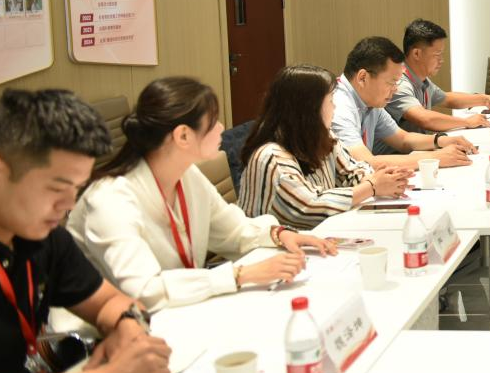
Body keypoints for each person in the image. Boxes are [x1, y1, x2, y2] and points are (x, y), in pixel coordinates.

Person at [70, 78, 337, 311]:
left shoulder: (186, 175)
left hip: (179, 310)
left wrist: (281, 234)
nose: (221, 128)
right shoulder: (110, 198)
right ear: (183, 136)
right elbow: (144, 290)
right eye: (212, 123)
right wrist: (240, 275)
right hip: (106, 336)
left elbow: (232, 231)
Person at [0, 90, 173, 373]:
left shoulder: (45, 238)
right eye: (55, 188)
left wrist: (126, 328)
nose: (68, 205)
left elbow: (108, 301)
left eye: (76, 188)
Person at [240, 65, 409, 229]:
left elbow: (350, 172)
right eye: (330, 100)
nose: (334, 106)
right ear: (308, 109)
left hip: (314, 235)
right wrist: (371, 186)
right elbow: (309, 206)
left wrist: (383, 179)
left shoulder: (323, 137)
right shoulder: (271, 156)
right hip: (270, 245)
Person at [331, 36, 474, 171]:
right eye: (392, 82)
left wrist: (441, 140)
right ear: (363, 78)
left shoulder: (369, 101)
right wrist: (435, 158)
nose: (396, 89)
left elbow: (403, 139)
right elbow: (365, 162)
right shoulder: (339, 106)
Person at [386, 19, 490, 139]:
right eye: (437, 54)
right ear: (416, 54)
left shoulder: (420, 79)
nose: (441, 60)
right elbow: (424, 119)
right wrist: (467, 122)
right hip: (401, 150)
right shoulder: (399, 84)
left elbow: (447, 99)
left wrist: (485, 99)